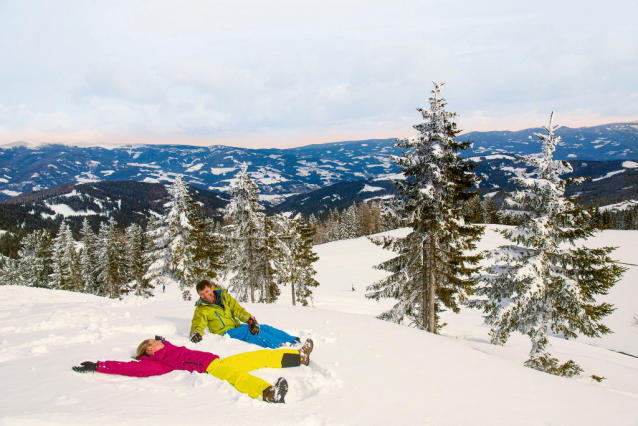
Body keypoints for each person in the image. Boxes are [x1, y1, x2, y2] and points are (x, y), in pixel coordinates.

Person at [72, 335, 314, 403]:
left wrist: (162, 340)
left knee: (256, 357)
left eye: (154, 340)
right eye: (151, 343)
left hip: (216, 360)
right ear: (148, 351)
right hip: (209, 369)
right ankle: (267, 393)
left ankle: (298, 357)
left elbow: (166, 343)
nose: (156, 341)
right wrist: (100, 365)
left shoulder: (166, 347)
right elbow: (132, 369)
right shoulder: (157, 361)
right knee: (238, 376)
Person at [190, 280, 312, 353]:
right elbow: (198, 324)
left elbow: (238, 310)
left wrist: (250, 320)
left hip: (235, 327)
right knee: (248, 331)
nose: (205, 296)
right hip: (224, 333)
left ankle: (294, 341)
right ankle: (284, 348)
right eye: (202, 294)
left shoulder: (224, 297)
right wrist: (196, 333)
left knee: (263, 328)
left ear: (212, 288)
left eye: (206, 292)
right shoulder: (201, 309)